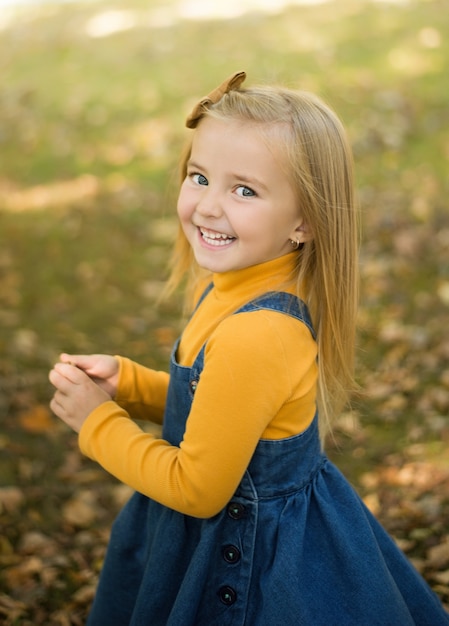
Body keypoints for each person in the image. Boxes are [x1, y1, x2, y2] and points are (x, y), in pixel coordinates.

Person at [49, 71, 449, 625]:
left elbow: (197, 488)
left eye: (244, 190)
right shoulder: (239, 284)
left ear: (305, 221)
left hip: (251, 561)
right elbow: (221, 410)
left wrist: (98, 424)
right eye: (199, 176)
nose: (210, 207)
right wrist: (131, 385)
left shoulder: (258, 332)